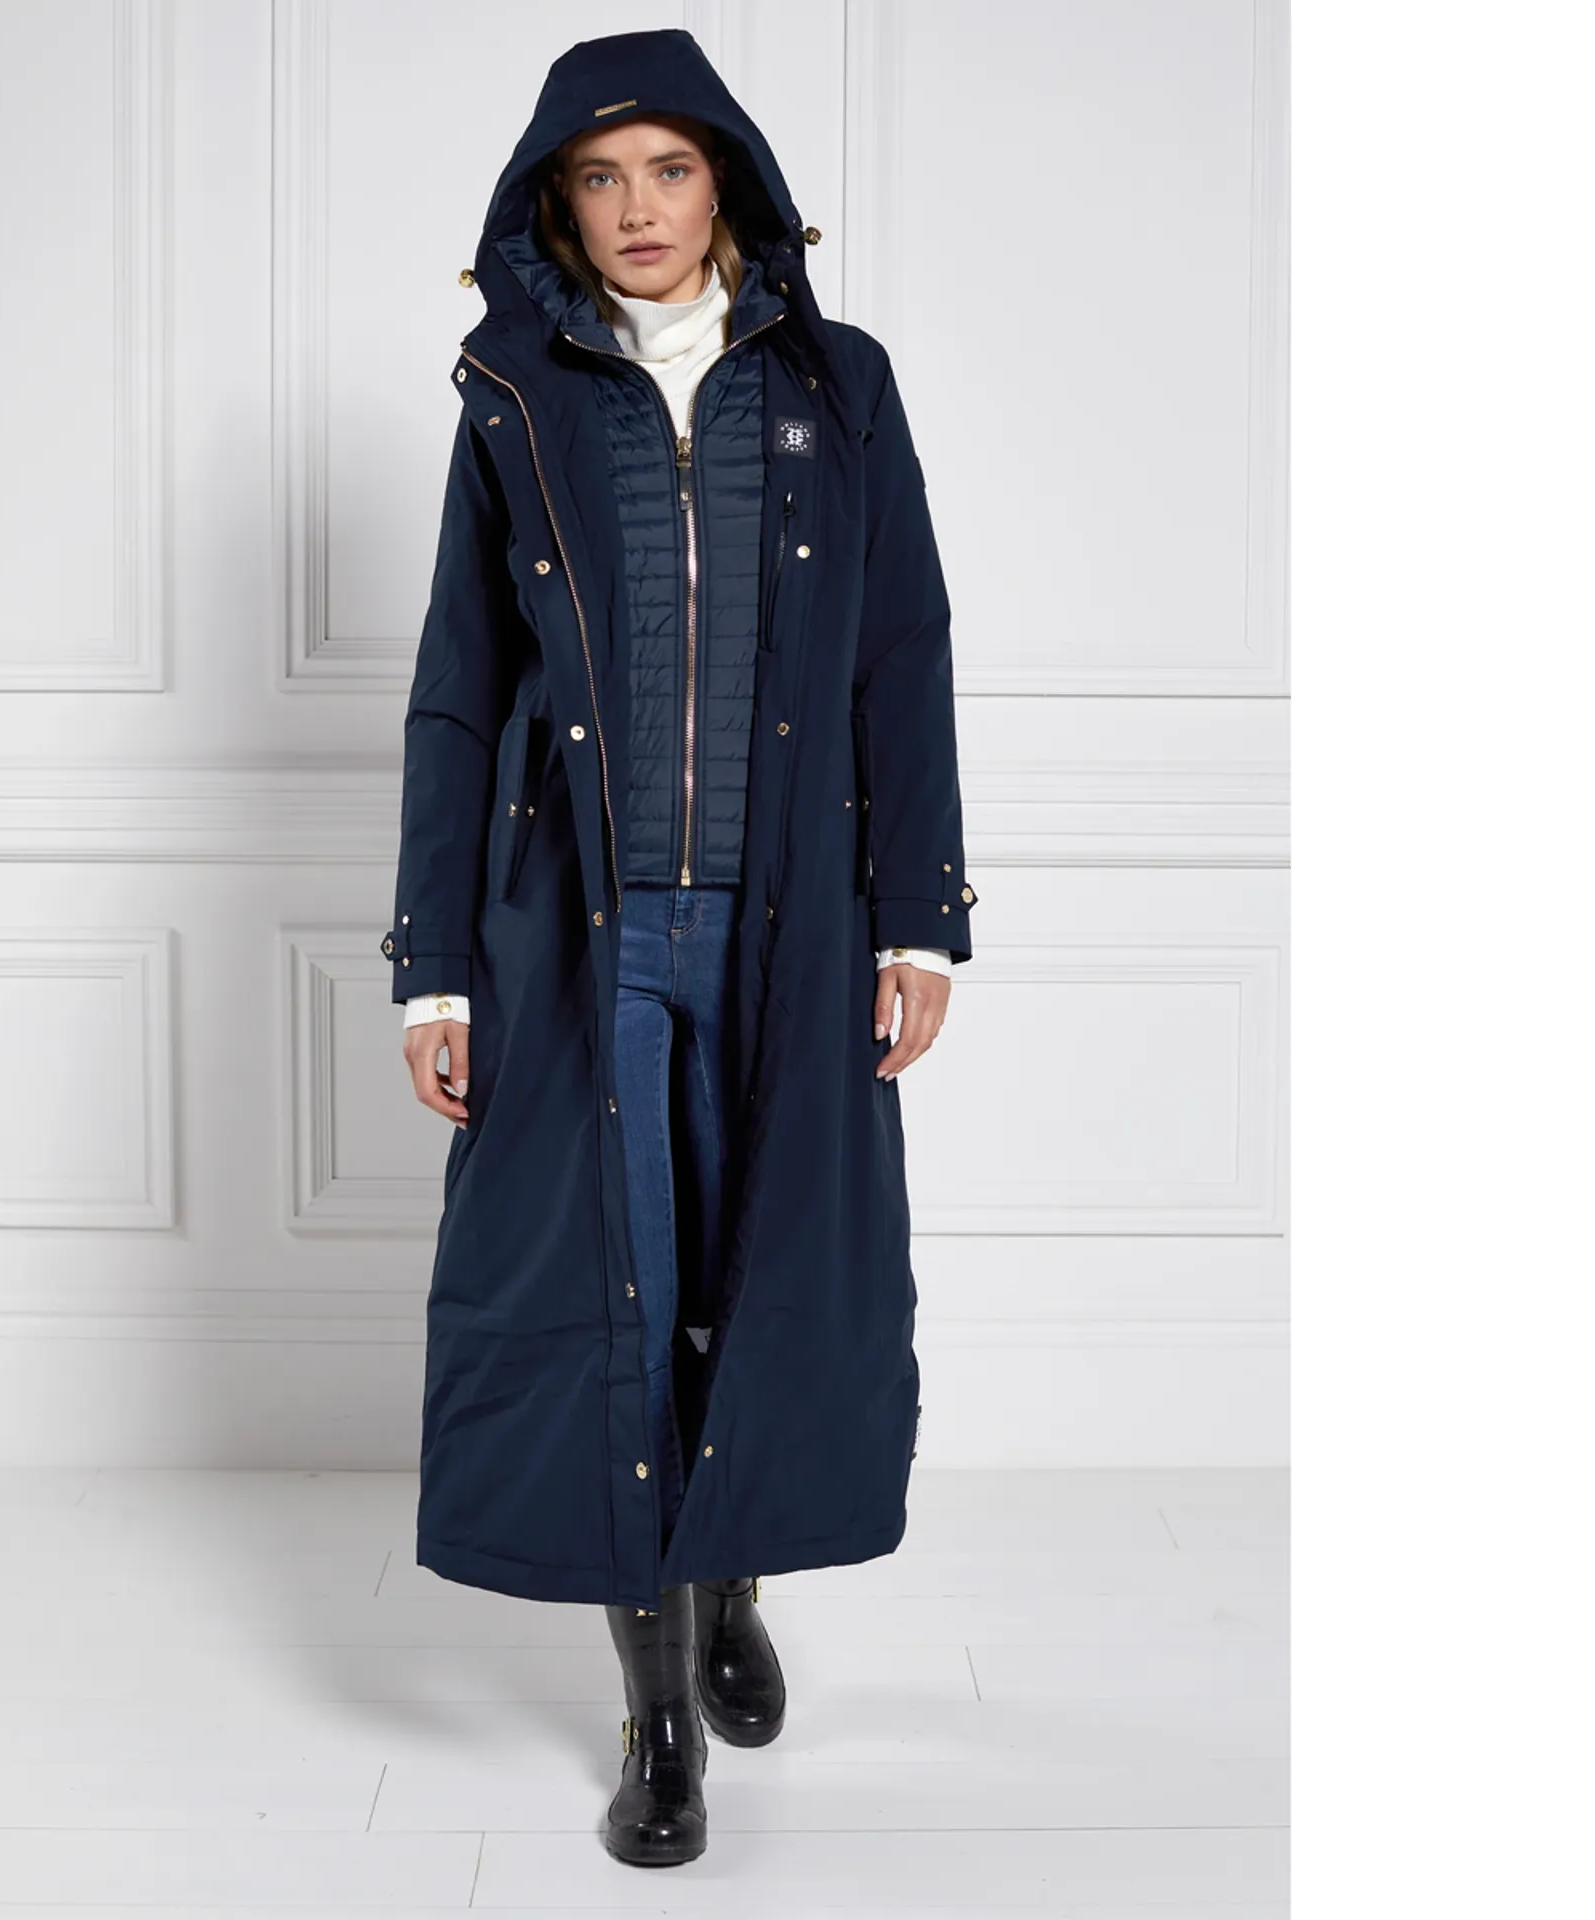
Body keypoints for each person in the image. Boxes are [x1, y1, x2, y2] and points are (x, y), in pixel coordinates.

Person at [385, 28, 975, 1868]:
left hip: (795, 928)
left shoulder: (838, 385)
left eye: (668, 168)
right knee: (611, 1296)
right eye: (598, 177)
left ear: (727, 185)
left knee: (761, 1270)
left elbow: (902, 653)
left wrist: (922, 920)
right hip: (580, 936)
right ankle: (656, 1715)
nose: (636, 207)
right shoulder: (519, 396)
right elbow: (459, 692)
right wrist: (433, 962)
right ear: (556, 206)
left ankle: (730, 1589)